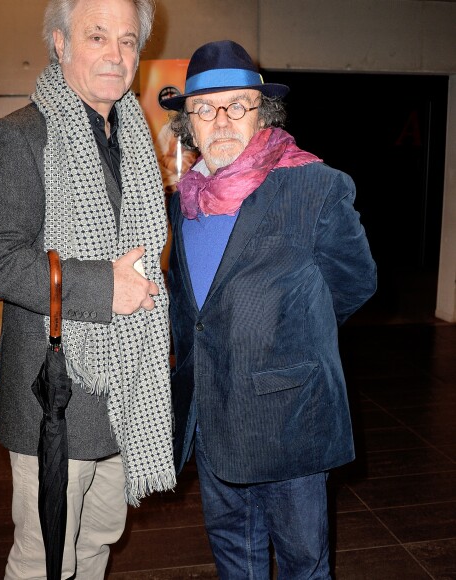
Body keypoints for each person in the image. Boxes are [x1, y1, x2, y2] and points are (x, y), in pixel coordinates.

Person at [0, 0, 175, 578]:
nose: (115, 54)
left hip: (125, 393)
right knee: (43, 559)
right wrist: (101, 286)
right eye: (97, 36)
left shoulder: (134, 137)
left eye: (128, 40)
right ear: (59, 43)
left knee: (97, 543)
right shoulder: (19, 138)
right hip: (55, 396)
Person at [162, 40, 377, 580]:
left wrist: (286, 338)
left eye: (238, 104)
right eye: (204, 109)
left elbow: (354, 283)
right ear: (189, 123)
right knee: (236, 558)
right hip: (212, 413)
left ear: (263, 112)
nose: (222, 121)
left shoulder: (316, 186)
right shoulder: (182, 200)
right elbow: (191, 307)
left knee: (305, 565)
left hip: (289, 417)